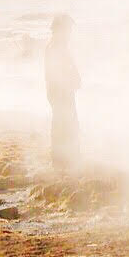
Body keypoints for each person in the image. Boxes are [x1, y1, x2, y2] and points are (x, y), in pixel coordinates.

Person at [45, 14, 81, 168]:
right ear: (60, 28)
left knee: (66, 123)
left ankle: (65, 159)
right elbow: (58, 71)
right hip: (60, 92)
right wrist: (72, 79)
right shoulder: (55, 46)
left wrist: (75, 77)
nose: (70, 33)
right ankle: (64, 160)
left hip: (61, 91)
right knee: (65, 123)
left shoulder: (58, 45)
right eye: (68, 29)